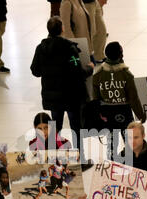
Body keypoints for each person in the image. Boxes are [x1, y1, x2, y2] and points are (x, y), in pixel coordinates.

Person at [31, 16, 94, 167]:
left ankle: (52, 159)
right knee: (76, 128)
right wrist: (90, 68)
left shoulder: (41, 48)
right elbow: (78, 72)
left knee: (54, 129)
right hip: (71, 96)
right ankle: (80, 160)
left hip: (53, 98)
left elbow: (35, 71)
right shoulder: (70, 48)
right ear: (62, 29)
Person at [93, 41, 145, 160]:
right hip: (124, 111)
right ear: (121, 55)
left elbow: (95, 97)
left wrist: (98, 113)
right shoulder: (126, 74)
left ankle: (111, 160)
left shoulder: (98, 74)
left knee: (111, 139)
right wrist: (140, 114)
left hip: (107, 112)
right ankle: (131, 159)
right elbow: (133, 98)